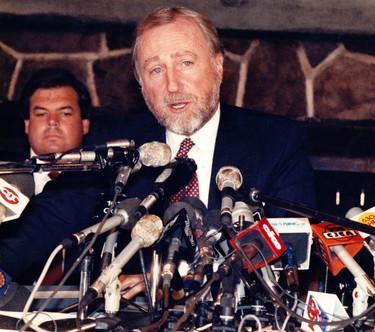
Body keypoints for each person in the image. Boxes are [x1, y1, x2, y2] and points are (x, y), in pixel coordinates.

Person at [84, 7, 316, 299]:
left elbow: (292, 256)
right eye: (156, 70)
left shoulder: (276, 142)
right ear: (141, 84)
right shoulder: (116, 147)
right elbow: (51, 220)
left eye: (186, 63)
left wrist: (173, 280)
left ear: (218, 66)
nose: (172, 85)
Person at [0, 68, 114, 309]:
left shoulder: (112, 184)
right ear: (26, 125)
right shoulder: (5, 180)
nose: (52, 122)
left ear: (84, 124)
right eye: (41, 114)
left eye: (65, 113)